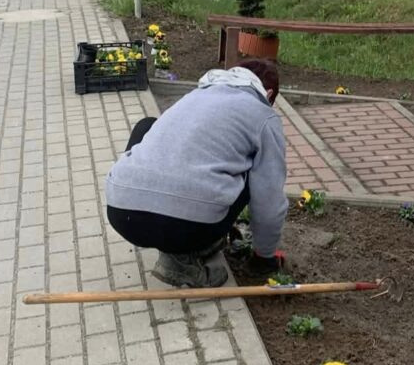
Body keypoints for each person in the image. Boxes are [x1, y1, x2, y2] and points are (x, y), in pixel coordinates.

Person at [105, 59, 287, 287]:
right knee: (257, 173)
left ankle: (188, 241)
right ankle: (182, 263)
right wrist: (265, 257)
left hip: (121, 213)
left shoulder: (195, 95)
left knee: (147, 125)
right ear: (268, 94)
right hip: (185, 226)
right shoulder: (264, 116)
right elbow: (269, 198)